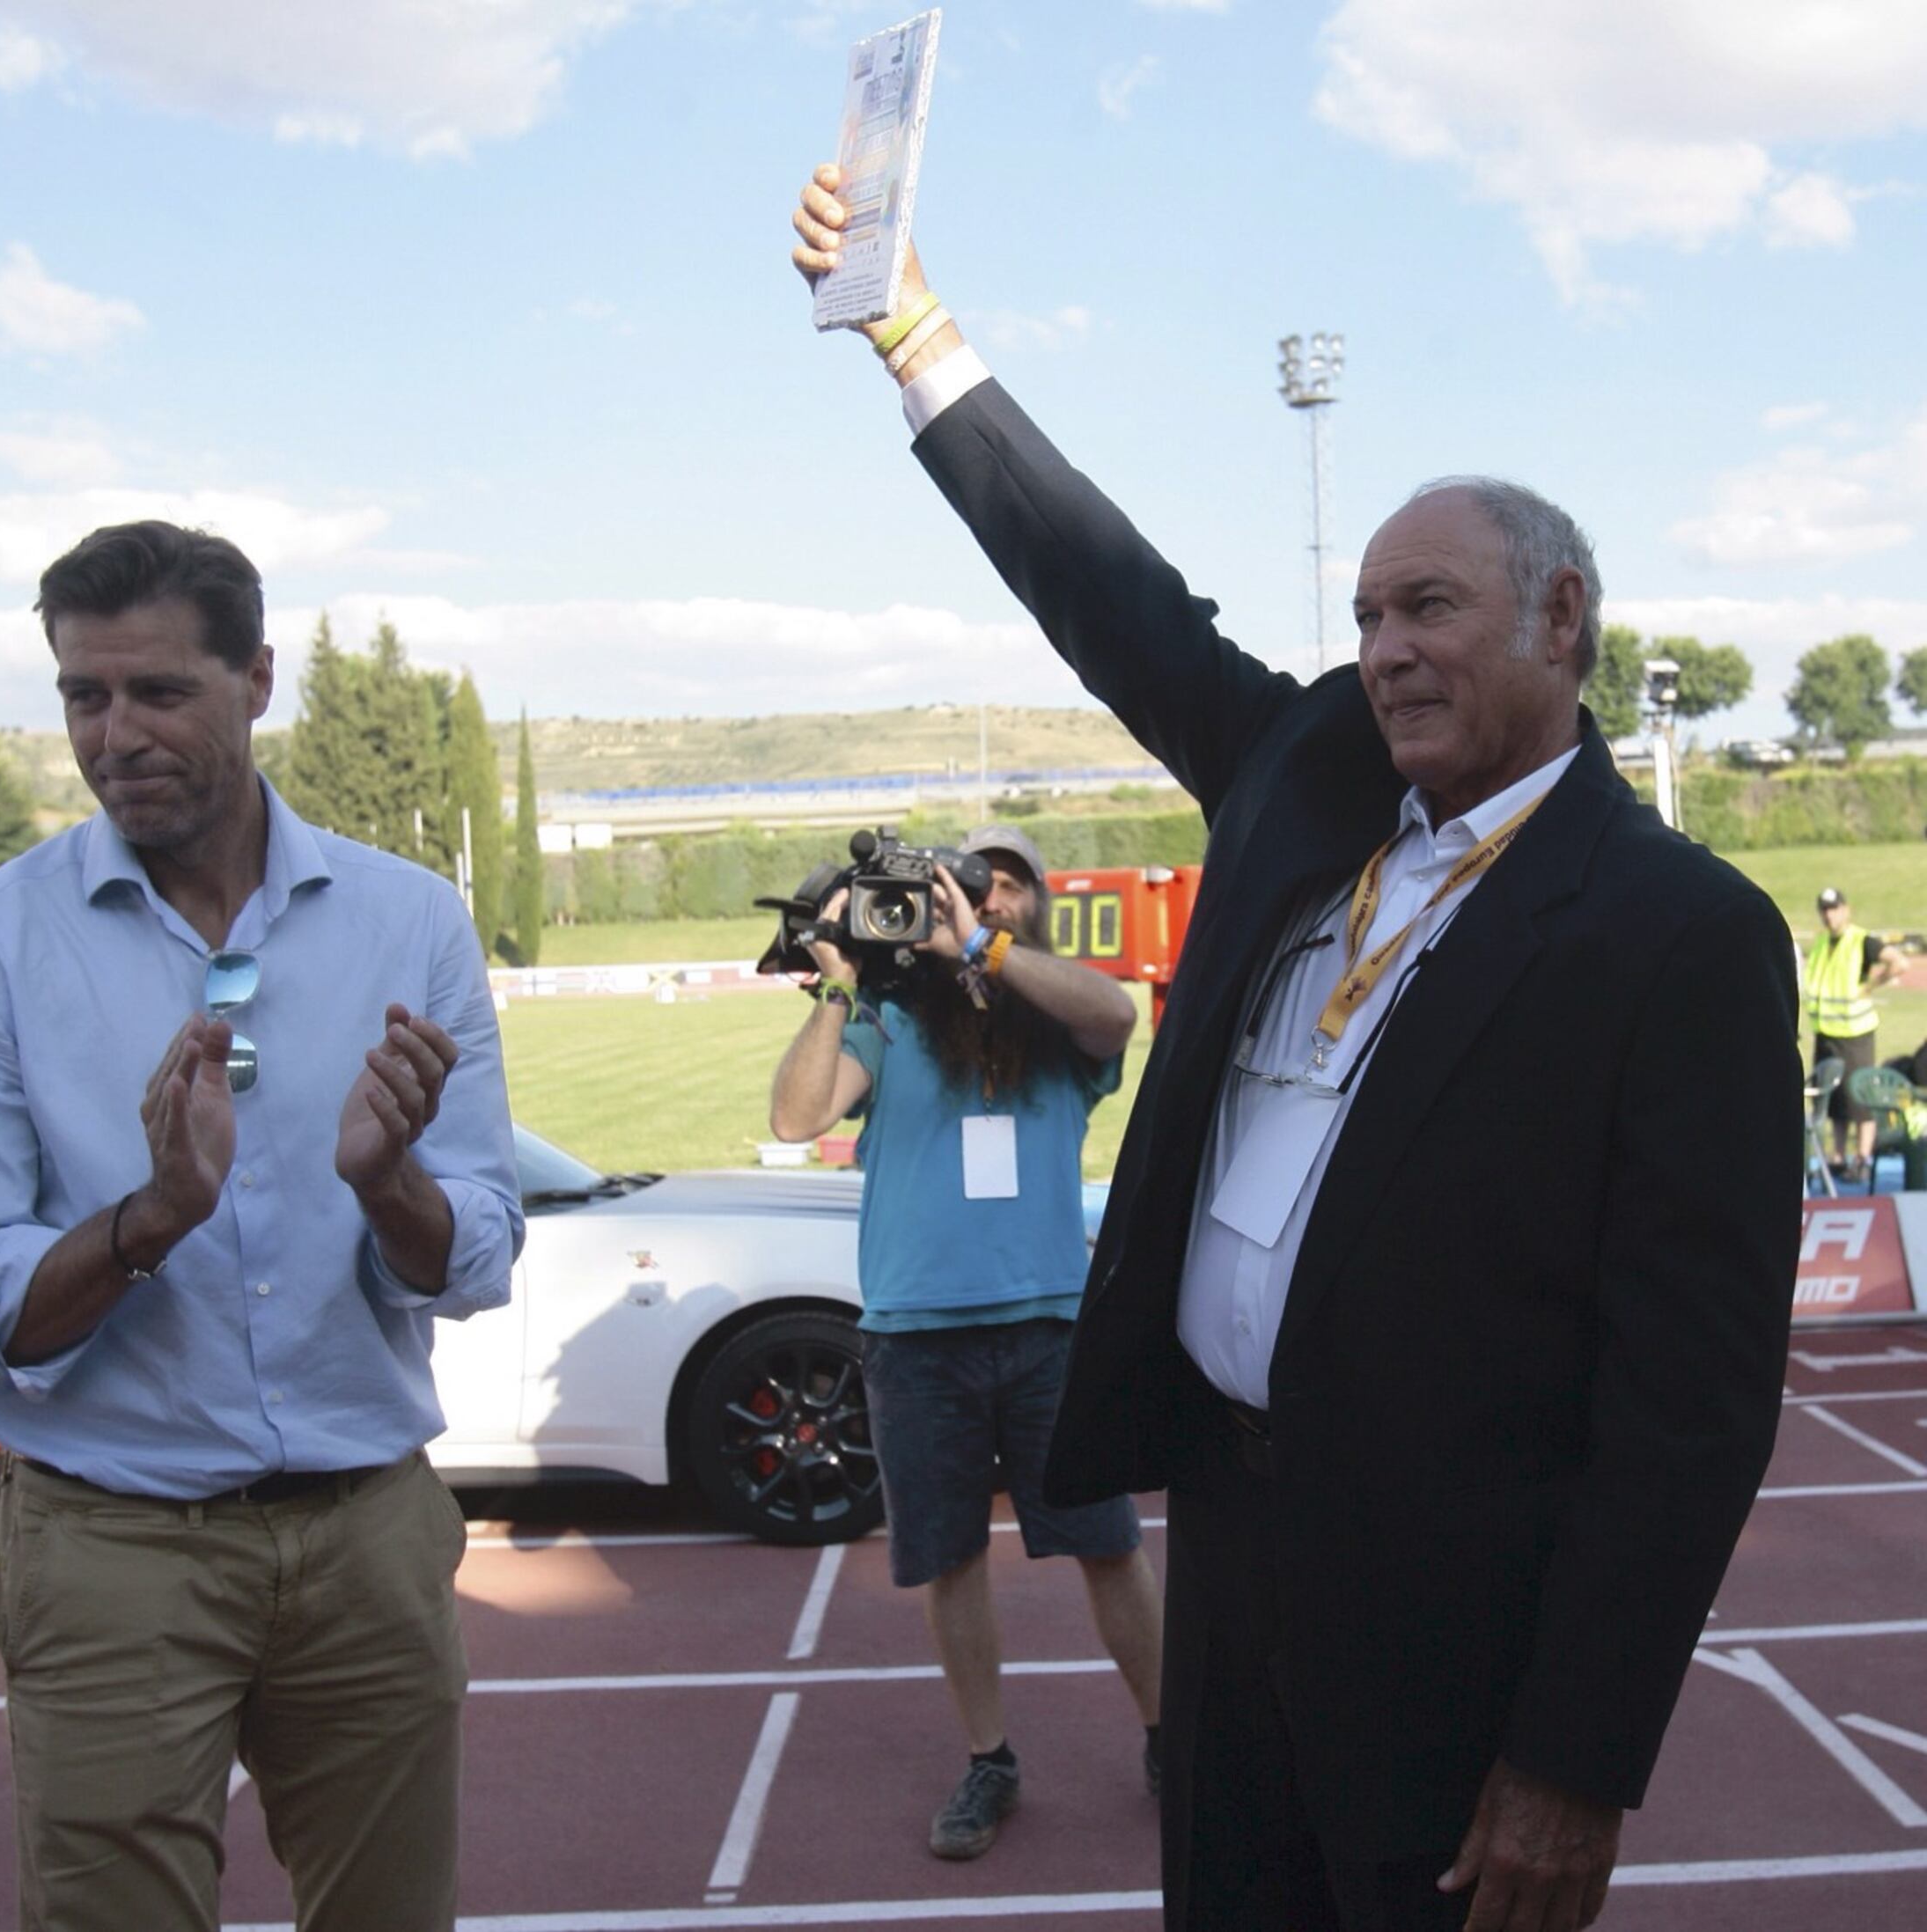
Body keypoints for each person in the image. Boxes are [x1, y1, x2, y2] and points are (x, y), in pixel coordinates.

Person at [788, 166, 1800, 1932]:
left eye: (1429, 609)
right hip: (1231, 1561)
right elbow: (1111, 597)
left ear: (1560, 618)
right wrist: (915, 339)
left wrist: (1578, 1752)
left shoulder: (1680, 934)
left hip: (1452, 1625)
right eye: (1362, 618)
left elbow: (1690, 1401)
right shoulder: (1309, 787)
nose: (1383, 651)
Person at [0, 520, 522, 1932]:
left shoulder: (407, 920)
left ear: (257, 680)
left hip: (368, 1535)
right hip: (113, 1547)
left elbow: (475, 1247)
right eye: (82, 695)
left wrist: (387, 1185)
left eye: (159, 691)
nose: (116, 734)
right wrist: (152, 1217)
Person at [767, 824, 1162, 1861]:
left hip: (1047, 1326)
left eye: (1006, 887)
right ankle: (989, 1758)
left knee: (1109, 1545)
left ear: (1034, 906)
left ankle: (1173, 1737)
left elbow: (1116, 1012)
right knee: (949, 1562)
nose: (984, 899)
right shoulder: (891, 1019)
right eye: (968, 884)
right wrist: (840, 983)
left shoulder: (1051, 1019)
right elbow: (798, 1115)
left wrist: (978, 948)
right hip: (915, 1334)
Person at [1803, 885, 1903, 1177]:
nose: (1829, 915)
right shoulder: (1822, 943)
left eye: (1834, 909)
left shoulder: (1861, 941)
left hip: (1855, 1033)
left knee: (1859, 1099)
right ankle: (1837, 1157)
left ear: (1846, 910)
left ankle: (1862, 1158)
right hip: (1826, 1032)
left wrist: (1871, 986)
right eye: (1824, 909)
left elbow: (1898, 962)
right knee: (1833, 1101)